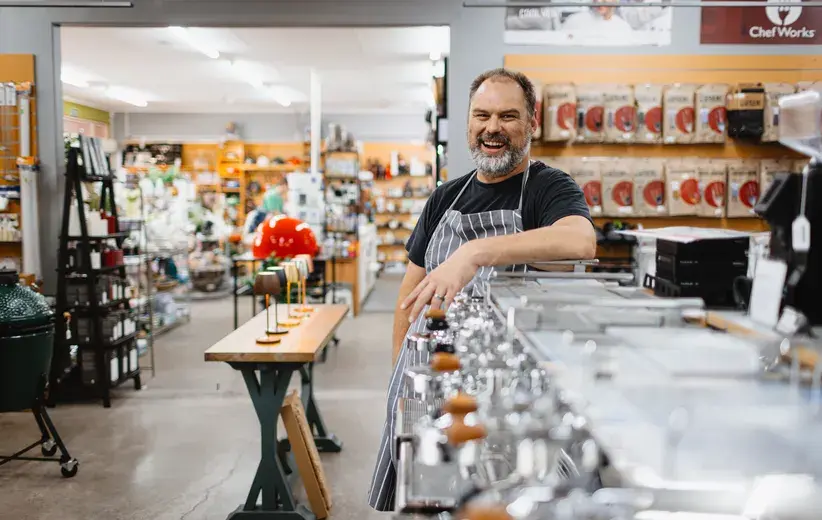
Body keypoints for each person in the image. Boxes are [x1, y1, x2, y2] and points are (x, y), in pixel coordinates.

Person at [367, 68, 596, 511]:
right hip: (431, 384)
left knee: (507, 499)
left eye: (508, 116)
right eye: (482, 116)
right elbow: (408, 300)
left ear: (532, 122)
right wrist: (399, 385)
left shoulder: (548, 188)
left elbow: (579, 240)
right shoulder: (444, 198)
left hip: (510, 397)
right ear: (470, 123)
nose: (493, 128)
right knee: (428, 497)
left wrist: (474, 253)